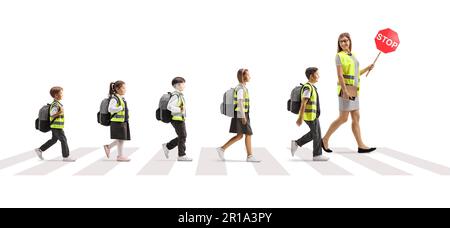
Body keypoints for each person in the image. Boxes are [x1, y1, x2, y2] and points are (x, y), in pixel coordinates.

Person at [322, 32, 377, 153]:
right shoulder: (339, 56)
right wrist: (345, 91)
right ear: (339, 44)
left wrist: (368, 68)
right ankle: (324, 139)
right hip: (345, 90)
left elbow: (355, 74)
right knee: (343, 118)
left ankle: (361, 145)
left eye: (346, 40)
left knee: (356, 117)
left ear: (350, 41)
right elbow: (340, 75)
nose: (344, 43)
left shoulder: (352, 55)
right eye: (341, 41)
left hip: (354, 90)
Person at [216, 69, 261, 162]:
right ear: (243, 77)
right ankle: (250, 156)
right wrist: (243, 116)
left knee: (240, 136)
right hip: (241, 114)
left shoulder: (242, 87)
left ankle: (222, 149)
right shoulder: (240, 88)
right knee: (248, 134)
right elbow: (240, 103)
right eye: (248, 75)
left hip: (242, 114)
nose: (250, 77)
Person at [291, 67, 329, 161]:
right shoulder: (308, 87)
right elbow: (304, 102)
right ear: (311, 76)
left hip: (312, 115)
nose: (318, 76)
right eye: (317, 74)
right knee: (316, 134)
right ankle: (317, 155)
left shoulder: (311, 87)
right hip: (309, 116)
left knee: (315, 133)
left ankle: (296, 143)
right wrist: (300, 117)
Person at [35, 86, 75, 162]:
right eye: (61, 93)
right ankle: (66, 157)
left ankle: (40, 150)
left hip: (56, 126)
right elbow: (52, 115)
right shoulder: (55, 105)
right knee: (63, 140)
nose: (62, 95)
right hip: (56, 127)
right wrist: (60, 112)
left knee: (54, 140)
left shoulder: (57, 103)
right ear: (56, 95)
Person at [162, 77, 193, 162]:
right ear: (178, 85)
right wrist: (179, 109)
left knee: (182, 136)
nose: (184, 85)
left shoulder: (179, 95)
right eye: (183, 84)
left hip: (179, 118)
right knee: (183, 136)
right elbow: (169, 106)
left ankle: (168, 146)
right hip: (176, 119)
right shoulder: (176, 95)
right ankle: (181, 155)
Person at [103, 80, 131, 162]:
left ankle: (108, 147)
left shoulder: (120, 98)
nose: (125, 89)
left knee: (121, 139)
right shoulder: (115, 98)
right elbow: (110, 109)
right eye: (123, 88)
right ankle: (120, 156)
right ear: (117, 89)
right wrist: (119, 108)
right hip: (117, 122)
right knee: (120, 139)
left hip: (122, 121)